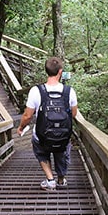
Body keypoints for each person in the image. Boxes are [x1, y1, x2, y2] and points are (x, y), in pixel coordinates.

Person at [17, 56, 78, 191]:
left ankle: (50, 180)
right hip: (63, 134)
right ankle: (61, 180)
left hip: (42, 135)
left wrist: (21, 127)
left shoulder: (36, 91)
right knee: (62, 151)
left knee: (41, 151)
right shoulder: (69, 91)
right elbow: (73, 114)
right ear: (60, 72)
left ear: (46, 71)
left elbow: (27, 115)